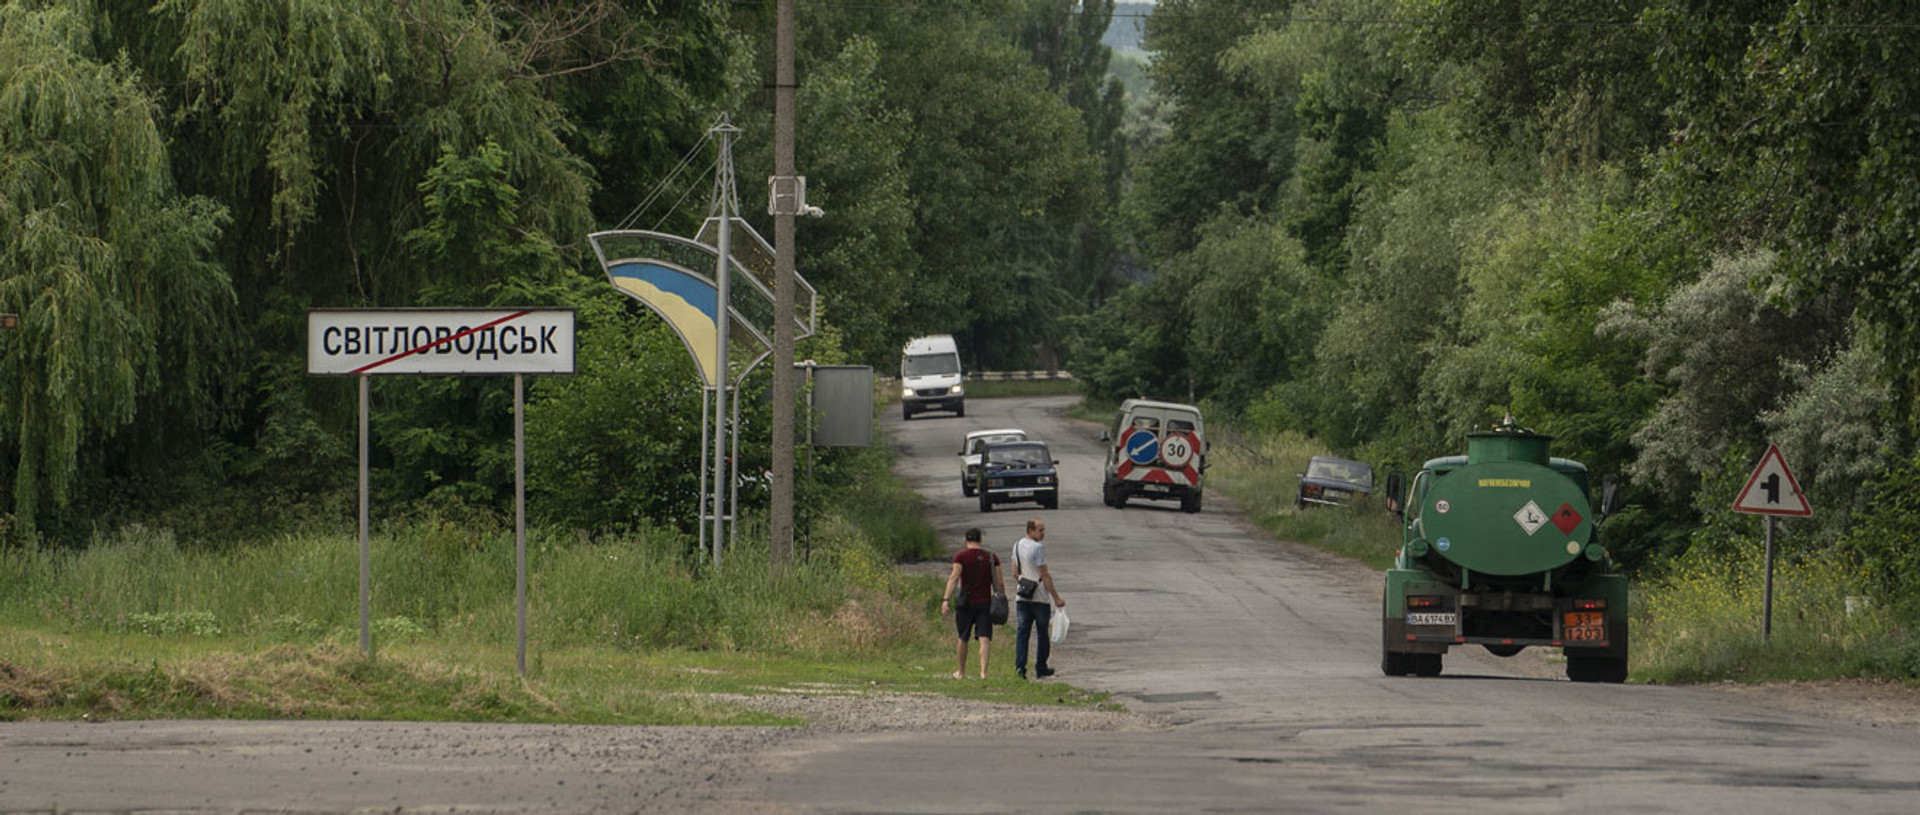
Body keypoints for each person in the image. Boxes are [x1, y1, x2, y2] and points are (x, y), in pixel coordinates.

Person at [941, 527, 1005, 679]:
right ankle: (983, 672)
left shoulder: (960, 556)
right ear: (980, 539)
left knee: (963, 637)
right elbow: (1000, 582)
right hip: (985, 602)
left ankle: (961, 671)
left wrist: (945, 599)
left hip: (966, 603)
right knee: (984, 637)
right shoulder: (991, 557)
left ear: (966, 540)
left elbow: (954, 577)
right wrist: (1002, 599)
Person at [1010, 517, 1065, 680]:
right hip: (1039, 597)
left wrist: (1024, 582)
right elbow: (1044, 574)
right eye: (1040, 530)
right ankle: (1041, 667)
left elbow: (1014, 572)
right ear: (1031, 530)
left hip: (1022, 596)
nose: (1043, 533)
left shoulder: (1017, 545)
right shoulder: (1038, 548)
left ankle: (1020, 668)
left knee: (1022, 633)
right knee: (1042, 633)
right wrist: (1056, 598)